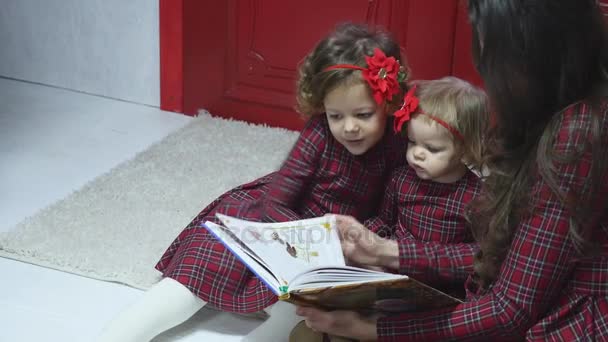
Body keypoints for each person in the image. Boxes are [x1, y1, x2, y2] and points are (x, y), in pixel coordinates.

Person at [296, 0, 608, 340]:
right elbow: (503, 257)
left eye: (493, 54)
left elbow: (509, 309)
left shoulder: (577, 134)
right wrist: (383, 249)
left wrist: (370, 329)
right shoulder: (558, 100)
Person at [97, 23, 410, 342]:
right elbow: (275, 202)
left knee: (305, 309)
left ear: (387, 102)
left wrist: (358, 247)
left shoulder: (399, 143)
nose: (349, 128)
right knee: (200, 268)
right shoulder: (319, 134)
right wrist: (308, 243)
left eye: (363, 115)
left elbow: (394, 212)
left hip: (342, 239)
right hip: (279, 220)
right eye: (336, 116)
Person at [290, 76, 489, 341]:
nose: (417, 154)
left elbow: (479, 257)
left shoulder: (478, 197)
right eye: (412, 142)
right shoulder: (401, 179)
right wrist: (363, 237)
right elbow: (384, 221)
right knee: (328, 310)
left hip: (439, 292)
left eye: (432, 148)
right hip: (392, 277)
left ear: (466, 148)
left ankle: (357, 327)